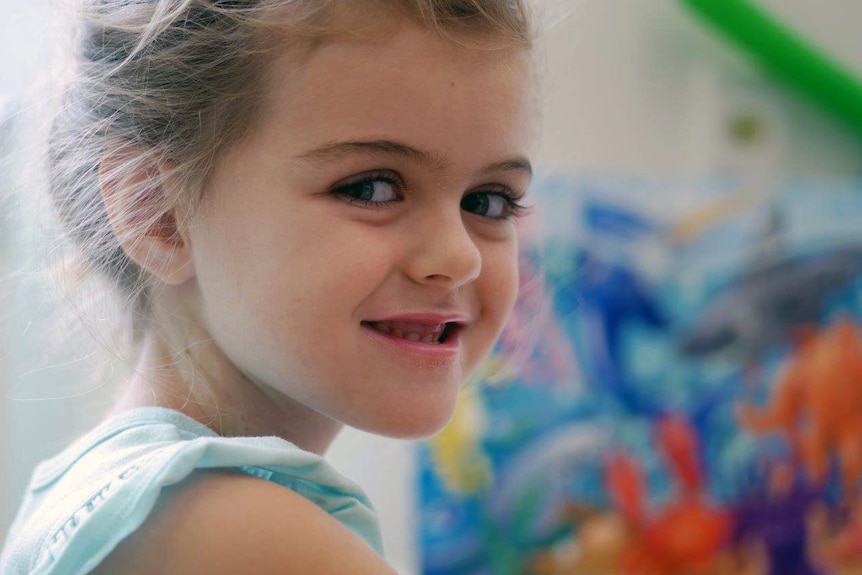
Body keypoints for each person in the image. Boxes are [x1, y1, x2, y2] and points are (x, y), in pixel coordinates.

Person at [0, 0, 537, 573]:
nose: (459, 258)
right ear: (156, 212)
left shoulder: (105, 499)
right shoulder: (236, 532)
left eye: (488, 201)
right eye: (373, 189)